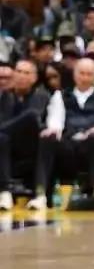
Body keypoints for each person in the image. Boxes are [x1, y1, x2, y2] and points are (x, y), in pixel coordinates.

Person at [27, 57, 94, 210]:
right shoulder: (61, 95)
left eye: (89, 74)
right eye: (82, 73)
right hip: (69, 143)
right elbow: (56, 120)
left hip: (91, 143)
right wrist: (53, 130)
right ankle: (40, 195)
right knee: (47, 139)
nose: (85, 77)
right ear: (75, 74)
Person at [0, 59, 47, 209]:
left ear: (34, 78)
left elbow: (34, 121)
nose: (21, 76)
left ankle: (40, 195)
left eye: (26, 73)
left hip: (33, 144)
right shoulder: (6, 96)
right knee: (2, 138)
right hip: (9, 145)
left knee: (31, 116)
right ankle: (5, 193)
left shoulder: (40, 95)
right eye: (19, 71)